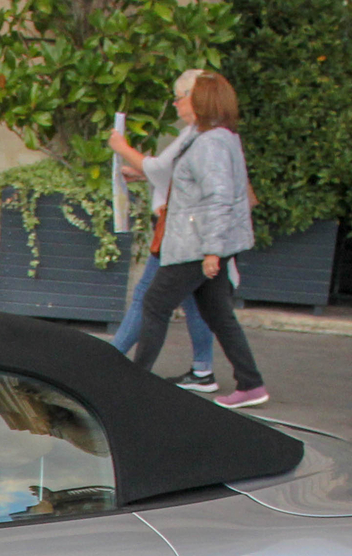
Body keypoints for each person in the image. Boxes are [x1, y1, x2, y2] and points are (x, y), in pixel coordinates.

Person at [127, 72, 268, 408]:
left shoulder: (209, 142)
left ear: (204, 101)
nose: (182, 101)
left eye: (190, 96)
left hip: (195, 244)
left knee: (154, 304)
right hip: (203, 242)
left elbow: (217, 198)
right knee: (218, 313)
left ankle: (133, 382)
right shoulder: (220, 137)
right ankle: (251, 383)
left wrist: (211, 251)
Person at [109, 70, 218, 392]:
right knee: (196, 301)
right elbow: (177, 175)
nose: (175, 103)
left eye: (179, 96)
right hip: (186, 229)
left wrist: (122, 147)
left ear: (194, 98)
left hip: (180, 230)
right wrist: (143, 175)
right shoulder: (201, 133)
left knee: (149, 296)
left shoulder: (197, 134)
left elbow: (161, 169)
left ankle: (115, 359)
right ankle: (203, 370)